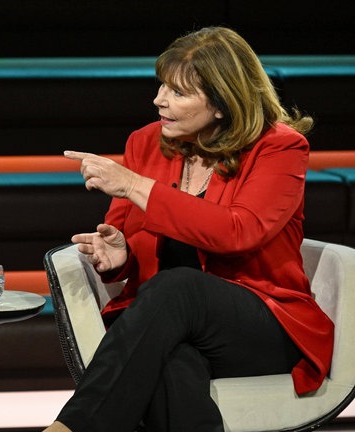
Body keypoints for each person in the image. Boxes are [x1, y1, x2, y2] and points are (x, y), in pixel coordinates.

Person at [46, 26, 334, 432]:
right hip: (165, 322)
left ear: (222, 104)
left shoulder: (278, 148)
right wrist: (117, 257)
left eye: (178, 93)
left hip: (261, 322)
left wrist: (133, 184)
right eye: (161, 85)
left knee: (177, 287)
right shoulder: (145, 142)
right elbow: (122, 235)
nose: (158, 99)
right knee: (172, 363)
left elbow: (239, 230)